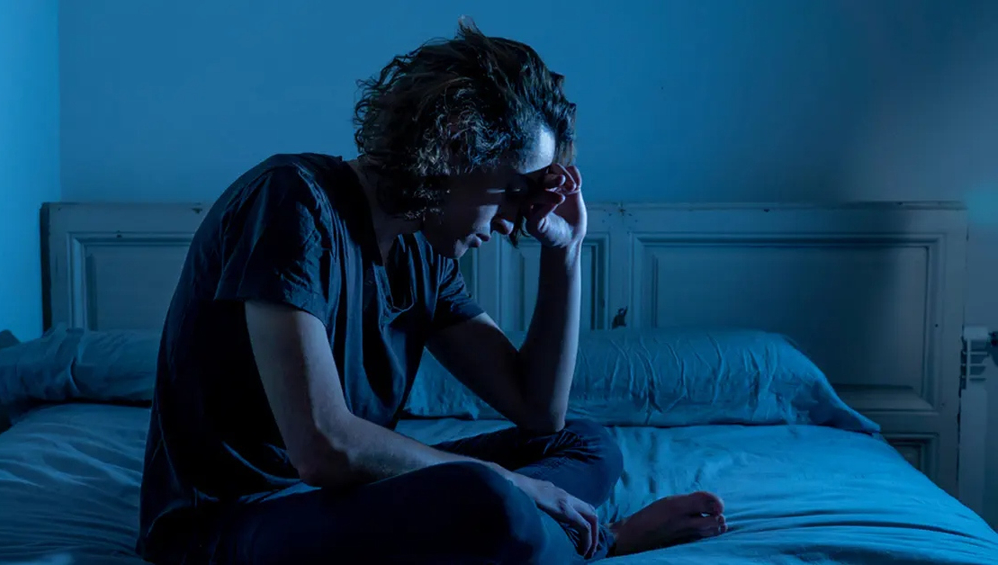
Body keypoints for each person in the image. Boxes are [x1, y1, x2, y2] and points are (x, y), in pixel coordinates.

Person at [137, 18, 727, 564]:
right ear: (455, 145)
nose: (515, 222)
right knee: (486, 497)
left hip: (347, 498)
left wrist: (564, 251)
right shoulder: (291, 199)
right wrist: (515, 484)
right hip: (228, 519)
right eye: (514, 191)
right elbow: (322, 446)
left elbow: (538, 411)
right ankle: (601, 540)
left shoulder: (421, 251)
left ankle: (544, 534)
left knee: (586, 441)